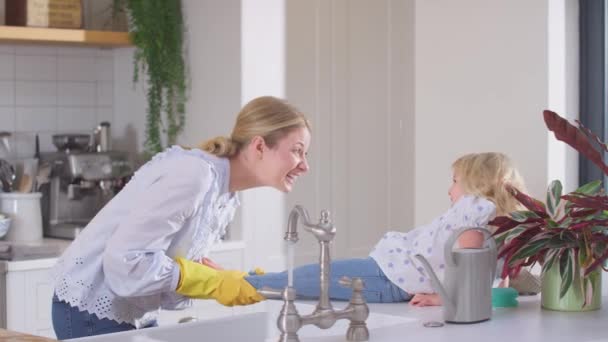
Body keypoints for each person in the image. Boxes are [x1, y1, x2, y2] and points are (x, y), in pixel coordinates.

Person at [50, 96, 311, 339]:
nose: (304, 165)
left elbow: (167, 258)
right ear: (259, 146)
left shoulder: (225, 194)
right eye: (298, 150)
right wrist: (212, 282)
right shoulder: (196, 175)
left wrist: (227, 279)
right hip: (91, 309)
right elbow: (125, 261)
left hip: (132, 312)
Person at [246, 152, 526, 307]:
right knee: (311, 276)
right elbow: (483, 276)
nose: (449, 190)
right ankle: (256, 279)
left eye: (455, 181)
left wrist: (440, 298)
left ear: (476, 186)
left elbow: (469, 278)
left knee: (312, 279)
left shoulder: (472, 227)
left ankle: (245, 283)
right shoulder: (481, 225)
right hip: (386, 274)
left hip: (387, 280)